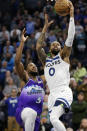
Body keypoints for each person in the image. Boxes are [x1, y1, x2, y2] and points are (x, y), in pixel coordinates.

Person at [36, 1, 75, 131]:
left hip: (64, 91)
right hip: (52, 94)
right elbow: (38, 47)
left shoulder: (64, 56)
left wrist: (71, 16)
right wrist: (45, 27)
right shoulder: (46, 60)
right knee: (53, 120)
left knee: (53, 119)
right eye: (53, 44)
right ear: (50, 48)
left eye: (58, 44)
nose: (56, 44)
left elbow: (70, 37)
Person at [15, 29, 45, 131]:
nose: (34, 66)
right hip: (23, 111)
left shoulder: (42, 81)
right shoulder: (26, 78)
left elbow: (49, 66)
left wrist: (45, 27)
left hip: (36, 118)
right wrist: (22, 42)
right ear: (26, 70)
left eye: (35, 65)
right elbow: (17, 61)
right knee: (31, 113)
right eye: (30, 65)